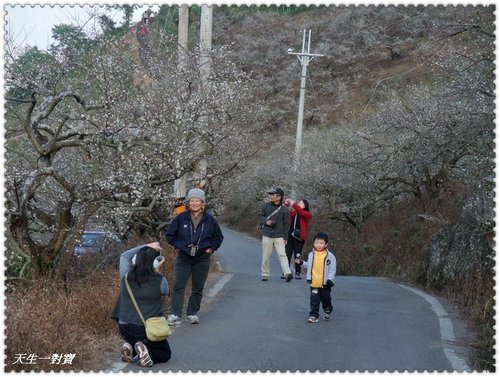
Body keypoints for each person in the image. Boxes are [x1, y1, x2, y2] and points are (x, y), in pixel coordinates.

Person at [165, 188, 224, 325]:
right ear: (188, 202)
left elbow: (218, 237)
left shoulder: (210, 220)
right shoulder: (181, 218)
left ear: (202, 202)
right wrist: (179, 246)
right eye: (192, 200)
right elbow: (170, 235)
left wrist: (211, 249)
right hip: (184, 257)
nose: (195, 203)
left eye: (197, 200)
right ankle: (175, 313)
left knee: (198, 286)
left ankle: (192, 313)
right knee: (178, 285)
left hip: (202, 257)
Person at [111, 242, 172, 367]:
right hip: (143, 330)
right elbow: (166, 292)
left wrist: (146, 246)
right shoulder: (161, 281)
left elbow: (124, 256)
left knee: (136, 343)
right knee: (165, 353)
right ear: (156, 261)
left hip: (123, 327)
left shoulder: (126, 276)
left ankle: (129, 345)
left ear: (136, 260)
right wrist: (157, 270)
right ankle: (145, 352)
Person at [295, 232, 336, 323]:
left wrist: (330, 280)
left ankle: (328, 309)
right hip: (314, 283)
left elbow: (332, 269)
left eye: (321, 243)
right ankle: (313, 315)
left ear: (326, 244)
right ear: (314, 243)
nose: (319, 245)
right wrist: (301, 263)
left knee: (326, 300)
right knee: (314, 300)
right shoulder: (311, 255)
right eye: (317, 243)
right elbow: (309, 265)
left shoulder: (330, 256)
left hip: (325, 284)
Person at [258, 187, 292, 282]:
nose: (271, 196)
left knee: (282, 255)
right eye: (271, 195)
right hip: (267, 234)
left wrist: (285, 237)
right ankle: (265, 274)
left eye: (274, 195)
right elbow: (260, 216)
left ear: (279, 197)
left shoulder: (285, 209)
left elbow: (286, 224)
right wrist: (266, 221)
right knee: (266, 255)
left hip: (279, 235)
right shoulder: (266, 206)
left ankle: (287, 273)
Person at [284, 198, 311, 279]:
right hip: (290, 236)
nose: (299, 204)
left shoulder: (306, 214)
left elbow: (301, 213)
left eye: (301, 203)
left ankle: (298, 272)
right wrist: (287, 204)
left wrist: (294, 204)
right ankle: (286, 271)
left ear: (305, 205)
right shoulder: (294, 212)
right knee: (287, 254)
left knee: (297, 255)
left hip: (299, 238)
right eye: (299, 203)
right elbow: (286, 214)